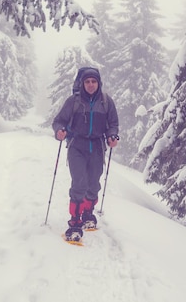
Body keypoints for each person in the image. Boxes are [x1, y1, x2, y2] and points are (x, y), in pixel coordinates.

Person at [52, 68, 119, 242]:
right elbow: (59, 121)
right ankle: (75, 222)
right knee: (79, 183)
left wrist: (112, 135)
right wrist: (59, 130)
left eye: (93, 81)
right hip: (77, 146)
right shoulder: (73, 101)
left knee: (94, 183)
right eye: (87, 82)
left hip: (97, 147)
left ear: (98, 83)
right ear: (82, 83)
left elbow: (113, 123)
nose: (90, 85)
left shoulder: (106, 102)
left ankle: (88, 213)